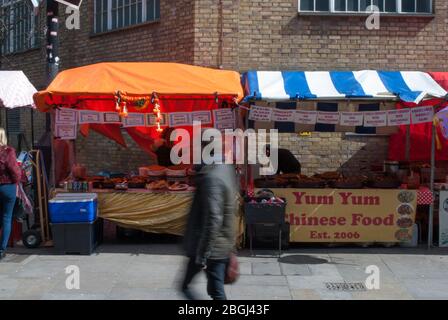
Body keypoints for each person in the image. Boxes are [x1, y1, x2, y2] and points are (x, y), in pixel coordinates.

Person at [181, 150, 238, 300]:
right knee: (216, 291)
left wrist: (202, 256)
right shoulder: (226, 169)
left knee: (186, 287)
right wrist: (231, 248)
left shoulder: (210, 179)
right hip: (221, 244)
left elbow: (214, 218)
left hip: (208, 246)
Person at [0, 128, 21, 260]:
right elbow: (14, 170)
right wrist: (17, 180)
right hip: (7, 187)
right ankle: (1, 250)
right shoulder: (7, 151)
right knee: (6, 218)